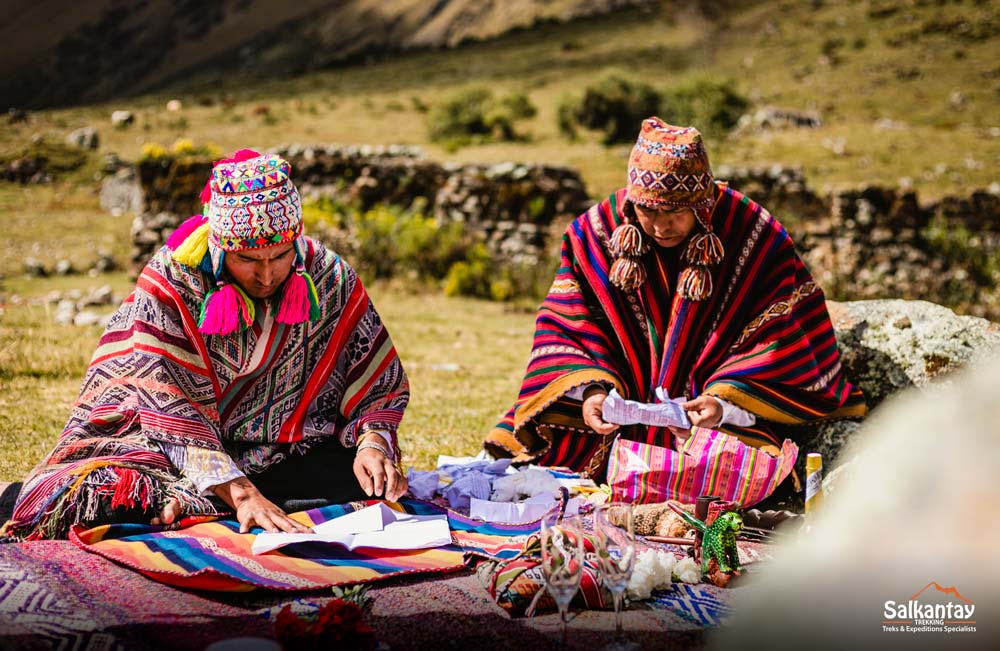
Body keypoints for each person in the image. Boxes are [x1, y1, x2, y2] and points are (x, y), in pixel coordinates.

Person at [1, 150, 409, 541]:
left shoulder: (328, 277)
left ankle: (194, 504)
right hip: (157, 436)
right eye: (248, 259)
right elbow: (166, 406)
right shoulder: (171, 283)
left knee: (359, 482)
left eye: (281, 256)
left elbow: (378, 386)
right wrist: (242, 493)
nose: (267, 275)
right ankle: (205, 497)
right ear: (219, 246)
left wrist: (372, 443)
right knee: (109, 494)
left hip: (280, 448)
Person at [485, 117, 866, 480]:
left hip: (714, 419)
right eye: (647, 210)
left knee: (740, 470)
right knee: (546, 454)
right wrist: (592, 393)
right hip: (615, 413)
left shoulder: (752, 232)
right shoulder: (597, 232)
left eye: (675, 212)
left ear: (702, 204)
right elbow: (567, 325)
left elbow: (783, 334)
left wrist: (724, 403)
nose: (660, 225)